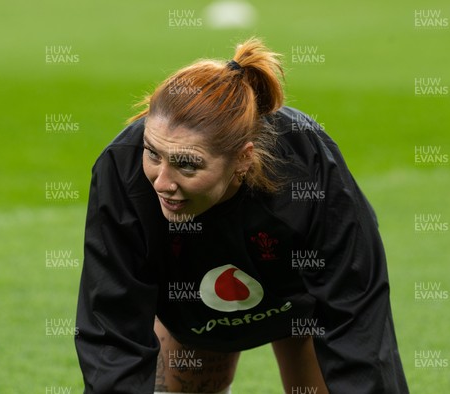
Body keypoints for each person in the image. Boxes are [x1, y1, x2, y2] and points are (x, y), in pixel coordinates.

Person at [75, 38, 409, 394]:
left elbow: (356, 316)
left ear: (243, 158)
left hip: (297, 302)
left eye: (187, 164)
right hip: (188, 308)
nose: (162, 181)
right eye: (153, 154)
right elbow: (113, 328)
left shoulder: (308, 166)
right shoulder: (123, 170)